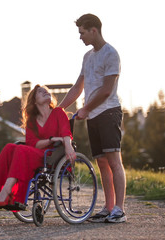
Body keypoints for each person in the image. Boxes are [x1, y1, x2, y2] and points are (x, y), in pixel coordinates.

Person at [58, 13, 127, 223]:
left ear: (93, 30)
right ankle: (107, 208)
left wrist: (86, 109)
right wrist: (58, 110)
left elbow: (107, 90)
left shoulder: (111, 54)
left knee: (114, 161)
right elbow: (78, 87)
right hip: (93, 116)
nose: (80, 37)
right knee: (102, 163)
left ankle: (120, 210)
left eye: (82, 33)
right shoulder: (87, 57)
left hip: (109, 112)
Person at [0, 85, 77, 207]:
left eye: (47, 91)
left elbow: (66, 133)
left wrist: (68, 146)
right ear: (34, 101)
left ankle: (6, 193)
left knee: (21, 149)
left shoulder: (58, 112)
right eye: (40, 91)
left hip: (53, 155)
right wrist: (51, 139)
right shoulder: (31, 120)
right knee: (9, 147)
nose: (45, 91)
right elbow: (33, 143)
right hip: (36, 153)